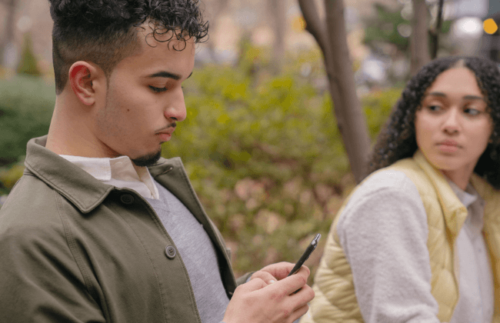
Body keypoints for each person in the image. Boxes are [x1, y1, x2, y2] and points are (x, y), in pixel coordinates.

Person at [0, 1, 314, 322]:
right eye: (159, 87)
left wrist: (248, 296)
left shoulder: (156, 178)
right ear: (86, 82)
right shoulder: (29, 240)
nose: (180, 110)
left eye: (182, 85)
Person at [300, 56, 500, 323]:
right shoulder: (392, 195)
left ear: (494, 125)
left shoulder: (485, 202)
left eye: (470, 111)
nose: (451, 124)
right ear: (414, 116)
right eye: (435, 107)